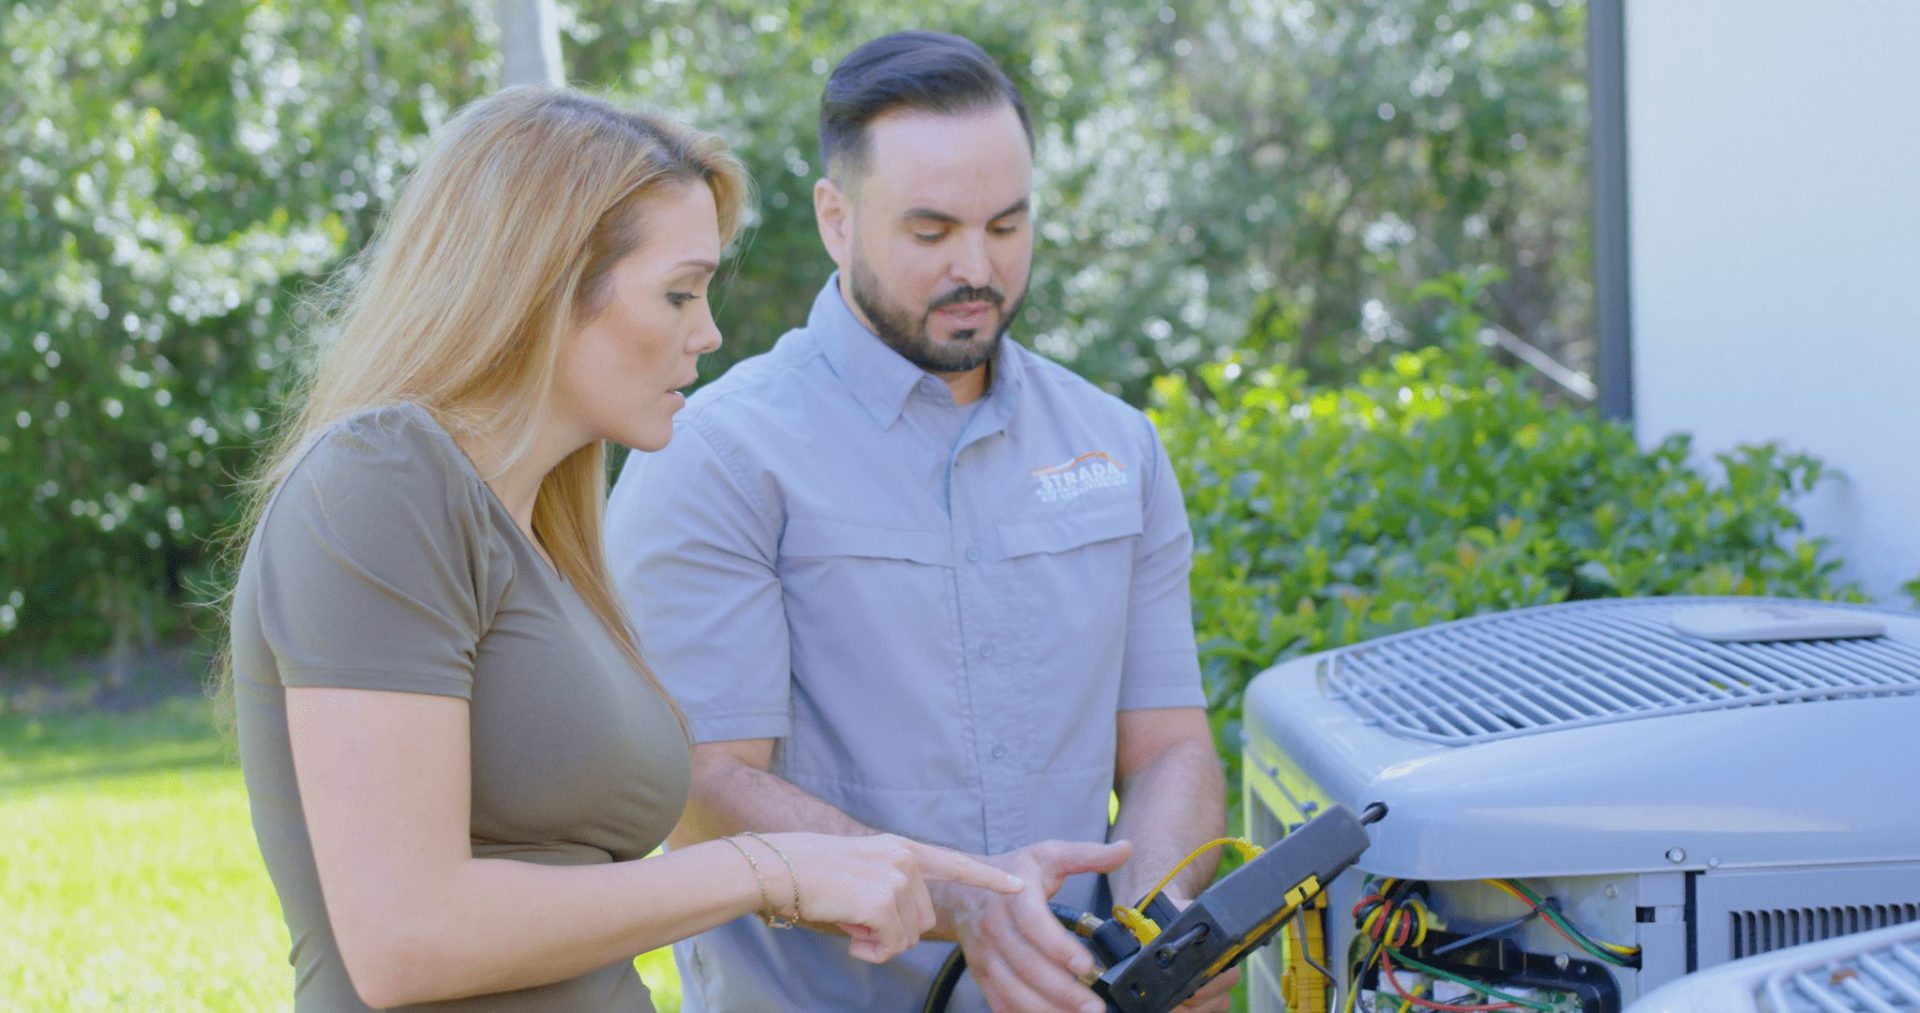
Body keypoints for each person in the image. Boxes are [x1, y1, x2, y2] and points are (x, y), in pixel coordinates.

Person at [221, 87, 1021, 1012]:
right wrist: (765, 868)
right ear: (547, 286)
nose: (708, 333)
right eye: (679, 292)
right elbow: (409, 937)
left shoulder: (543, 528)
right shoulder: (383, 478)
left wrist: (872, 860)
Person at [607, 32, 1233, 1013]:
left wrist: (1164, 928)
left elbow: (1169, 750)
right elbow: (703, 792)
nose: (976, 268)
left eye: (1008, 225)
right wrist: (966, 903)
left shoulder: (1118, 447)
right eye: (932, 232)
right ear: (836, 219)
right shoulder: (715, 455)